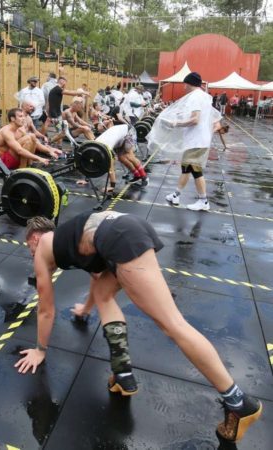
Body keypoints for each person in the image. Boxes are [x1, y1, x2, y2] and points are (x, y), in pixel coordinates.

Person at [17, 212, 263, 443]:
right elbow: (98, 279)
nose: (31, 254)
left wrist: (40, 350)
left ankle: (238, 402)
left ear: (35, 238)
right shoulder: (69, 239)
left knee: (173, 324)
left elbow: (46, 309)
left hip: (120, 237)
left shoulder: (44, 249)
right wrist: (86, 308)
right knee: (104, 293)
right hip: (125, 228)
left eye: (29, 248)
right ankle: (122, 372)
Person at [162, 72, 219, 211]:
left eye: (185, 84)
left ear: (189, 83)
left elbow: (195, 120)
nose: (184, 87)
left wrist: (176, 123)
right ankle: (176, 195)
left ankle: (203, 201)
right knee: (186, 168)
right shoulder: (205, 96)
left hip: (196, 141)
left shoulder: (195, 97)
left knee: (195, 170)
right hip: (199, 139)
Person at [47, 76, 90, 147]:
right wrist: (84, 92)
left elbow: (49, 104)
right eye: (65, 82)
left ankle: (58, 145)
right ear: (62, 81)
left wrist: (49, 114)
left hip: (56, 115)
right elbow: (70, 92)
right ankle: (50, 142)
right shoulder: (57, 89)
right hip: (55, 116)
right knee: (62, 132)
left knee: (61, 132)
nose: (65, 84)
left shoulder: (55, 90)